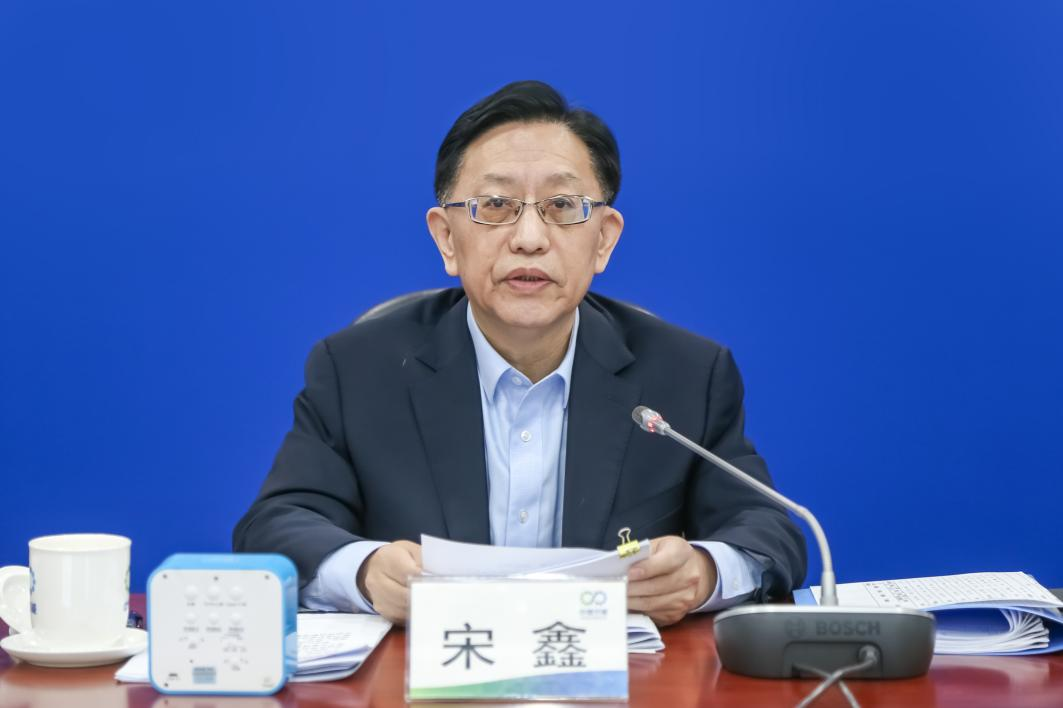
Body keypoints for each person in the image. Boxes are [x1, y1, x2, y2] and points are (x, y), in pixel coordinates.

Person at [233, 80, 806, 626]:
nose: (529, 237)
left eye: (562, 205)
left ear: (604, 239)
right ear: (446, 237)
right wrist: (364, 573)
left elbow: (769, 531)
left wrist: (703, 572)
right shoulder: (358, 370)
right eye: (496, 205)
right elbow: (276, 525)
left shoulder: (686, 375)